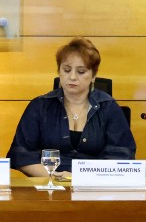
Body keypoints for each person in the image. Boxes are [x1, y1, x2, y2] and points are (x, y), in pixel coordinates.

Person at [8, 37, 136, 176]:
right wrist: (54, 177)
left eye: (81, 71)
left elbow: (121, 157)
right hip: (49, 182)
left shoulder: (109, 108)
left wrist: (81, 178)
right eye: (67, 70)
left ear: (93, 75)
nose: (72, 77)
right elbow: (21, 154)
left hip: (94, 184)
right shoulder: (40, 106)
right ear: (59, 72)